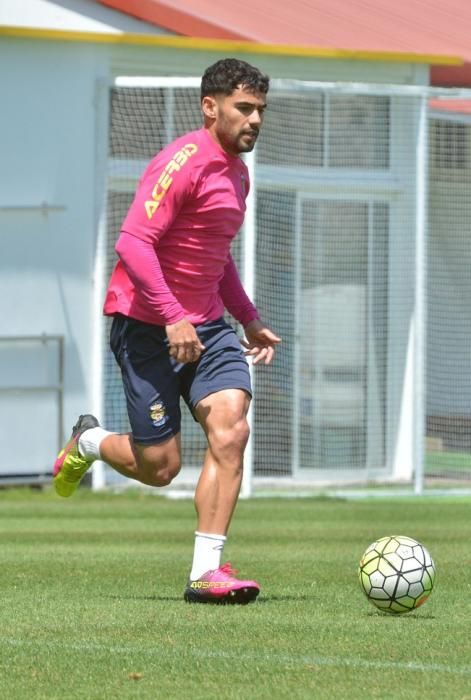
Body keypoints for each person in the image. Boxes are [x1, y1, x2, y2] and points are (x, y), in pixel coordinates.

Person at [53, 58, 280, 605]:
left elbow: (215, 254)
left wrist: (246, 317)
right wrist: (173, 315)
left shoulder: (239, 173)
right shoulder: (183, 161)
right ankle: (90, 440)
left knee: (231, 430)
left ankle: (207, 573)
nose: (254, 120)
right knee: (161, 468)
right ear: (211, 107)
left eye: (260, 111)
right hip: (149, 327)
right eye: (243, 108)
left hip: (209, 327)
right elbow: (133, 241)